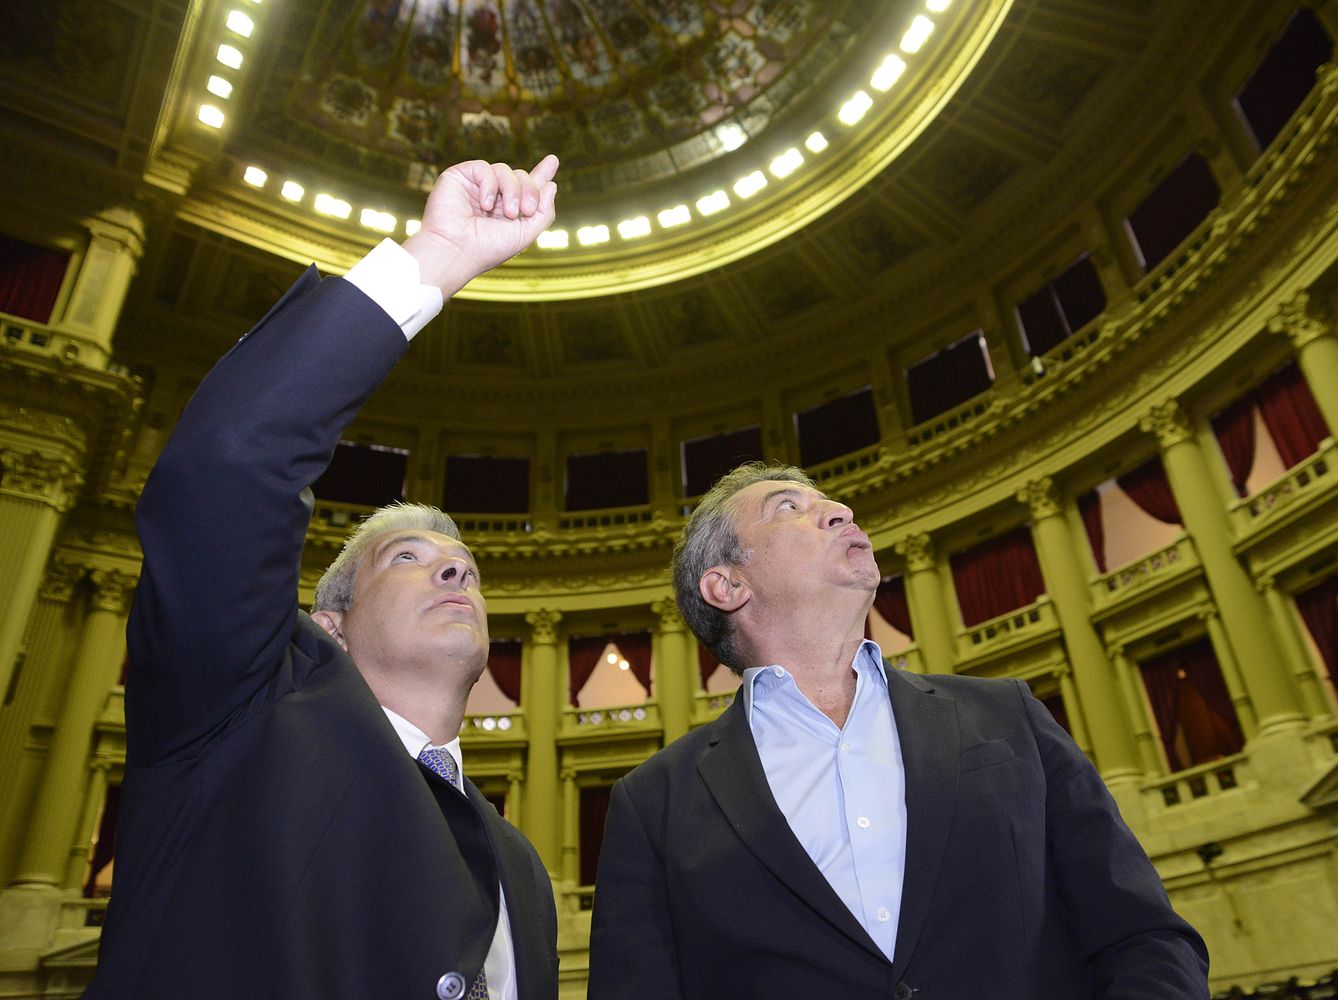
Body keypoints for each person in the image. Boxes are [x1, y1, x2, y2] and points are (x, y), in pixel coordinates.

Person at [88, 157, 563, 1000]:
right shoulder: (239, 715)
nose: (455, 565)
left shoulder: (520, 865)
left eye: (465, 566)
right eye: (407, 558)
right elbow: (230, 465)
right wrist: (436, 258)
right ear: (331, 624)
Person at [587, 463, 1210, 999]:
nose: (840, 511)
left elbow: (1141, 935)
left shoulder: (1006, 715)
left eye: (831, 502)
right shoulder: (653, 803)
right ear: (727, 585)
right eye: (789, 508)